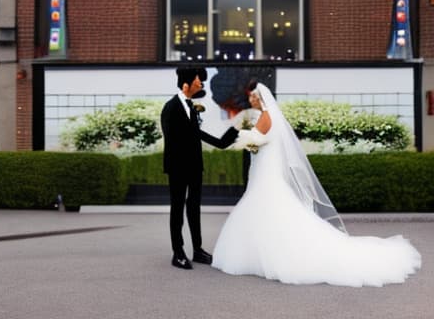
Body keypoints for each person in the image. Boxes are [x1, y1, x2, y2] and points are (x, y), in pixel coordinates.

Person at [212, 82, 422, 287]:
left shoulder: (266, 117)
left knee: (266, 205)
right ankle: (258, 254)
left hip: (266, 171)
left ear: (260, 98)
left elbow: (257, 139)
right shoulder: (269, 116)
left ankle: (268, 254)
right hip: (266, 168)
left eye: (253, 97)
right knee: (267, 206)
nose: (250, 100)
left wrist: (242, 136)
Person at [161, 67, 239, 270]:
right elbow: (172, 142)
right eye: (198, 81)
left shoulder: (191, 107)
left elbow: (199, 136)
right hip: (178, 168)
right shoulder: (171, 107)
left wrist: (233, 133)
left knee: (194, 208)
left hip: (195, 167)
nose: (202, 84)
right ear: (186, 84)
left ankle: (197, 249)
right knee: (177, 209)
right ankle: (177, 252)